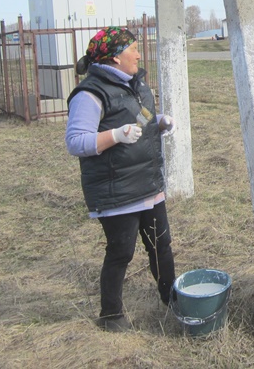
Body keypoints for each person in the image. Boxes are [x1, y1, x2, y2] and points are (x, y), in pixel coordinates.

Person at [65, 26, 177, 332]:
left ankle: (174, 301)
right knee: (121, 252)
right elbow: (76, 142)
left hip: (147, 182)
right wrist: (115, 135)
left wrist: (159, 124)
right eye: (133, 49)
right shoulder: (90, 94)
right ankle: (111, 315)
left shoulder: (136, 84)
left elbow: (138, 120)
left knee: (161, 246)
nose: (139, 54)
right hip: (116, 189)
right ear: (115, 58)